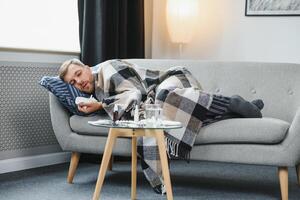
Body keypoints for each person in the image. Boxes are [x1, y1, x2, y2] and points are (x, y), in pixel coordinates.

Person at [58, 58, 264, 121]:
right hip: (156, 99)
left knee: (165, 99)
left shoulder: (107, 69)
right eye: (73, 83)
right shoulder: (98, 90)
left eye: (78, 74)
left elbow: (134, 94)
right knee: (164, 116)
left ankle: (231, 102)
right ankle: (235, 109)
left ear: (86, 68)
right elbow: (131, 108)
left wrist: (100, 106)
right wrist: (100, 103)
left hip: (170, 81)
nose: (79, 82)